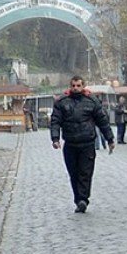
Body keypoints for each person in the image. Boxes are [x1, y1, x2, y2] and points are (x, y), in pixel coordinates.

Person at [50, 76, 114, 213]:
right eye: (73, 85)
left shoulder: (92, 102)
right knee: (74, 173)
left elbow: (102, 121)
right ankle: (78, 198)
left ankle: (83, 199)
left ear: (83, 86)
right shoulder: (62, 102)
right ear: (70, 86)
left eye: (78, 85)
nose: (75, 88)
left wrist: (110, 139)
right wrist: (55, 139)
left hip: (87, 143)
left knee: (85, 172)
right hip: (70, 143)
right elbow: (55, 121)